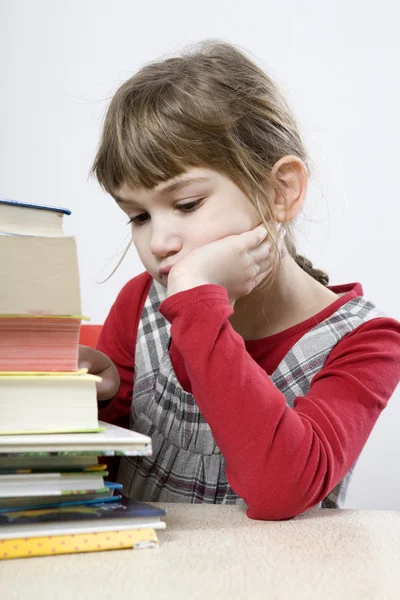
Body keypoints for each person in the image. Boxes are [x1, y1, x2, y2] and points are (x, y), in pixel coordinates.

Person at [79, 41, 400, 521]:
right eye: (139, 216)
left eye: (187, 205)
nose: (160, 241)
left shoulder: (368, 343)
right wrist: (83, 408)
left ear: (280, 191)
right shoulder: (140, 305)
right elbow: (92, 484)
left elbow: (279, 491)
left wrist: (198, 304)